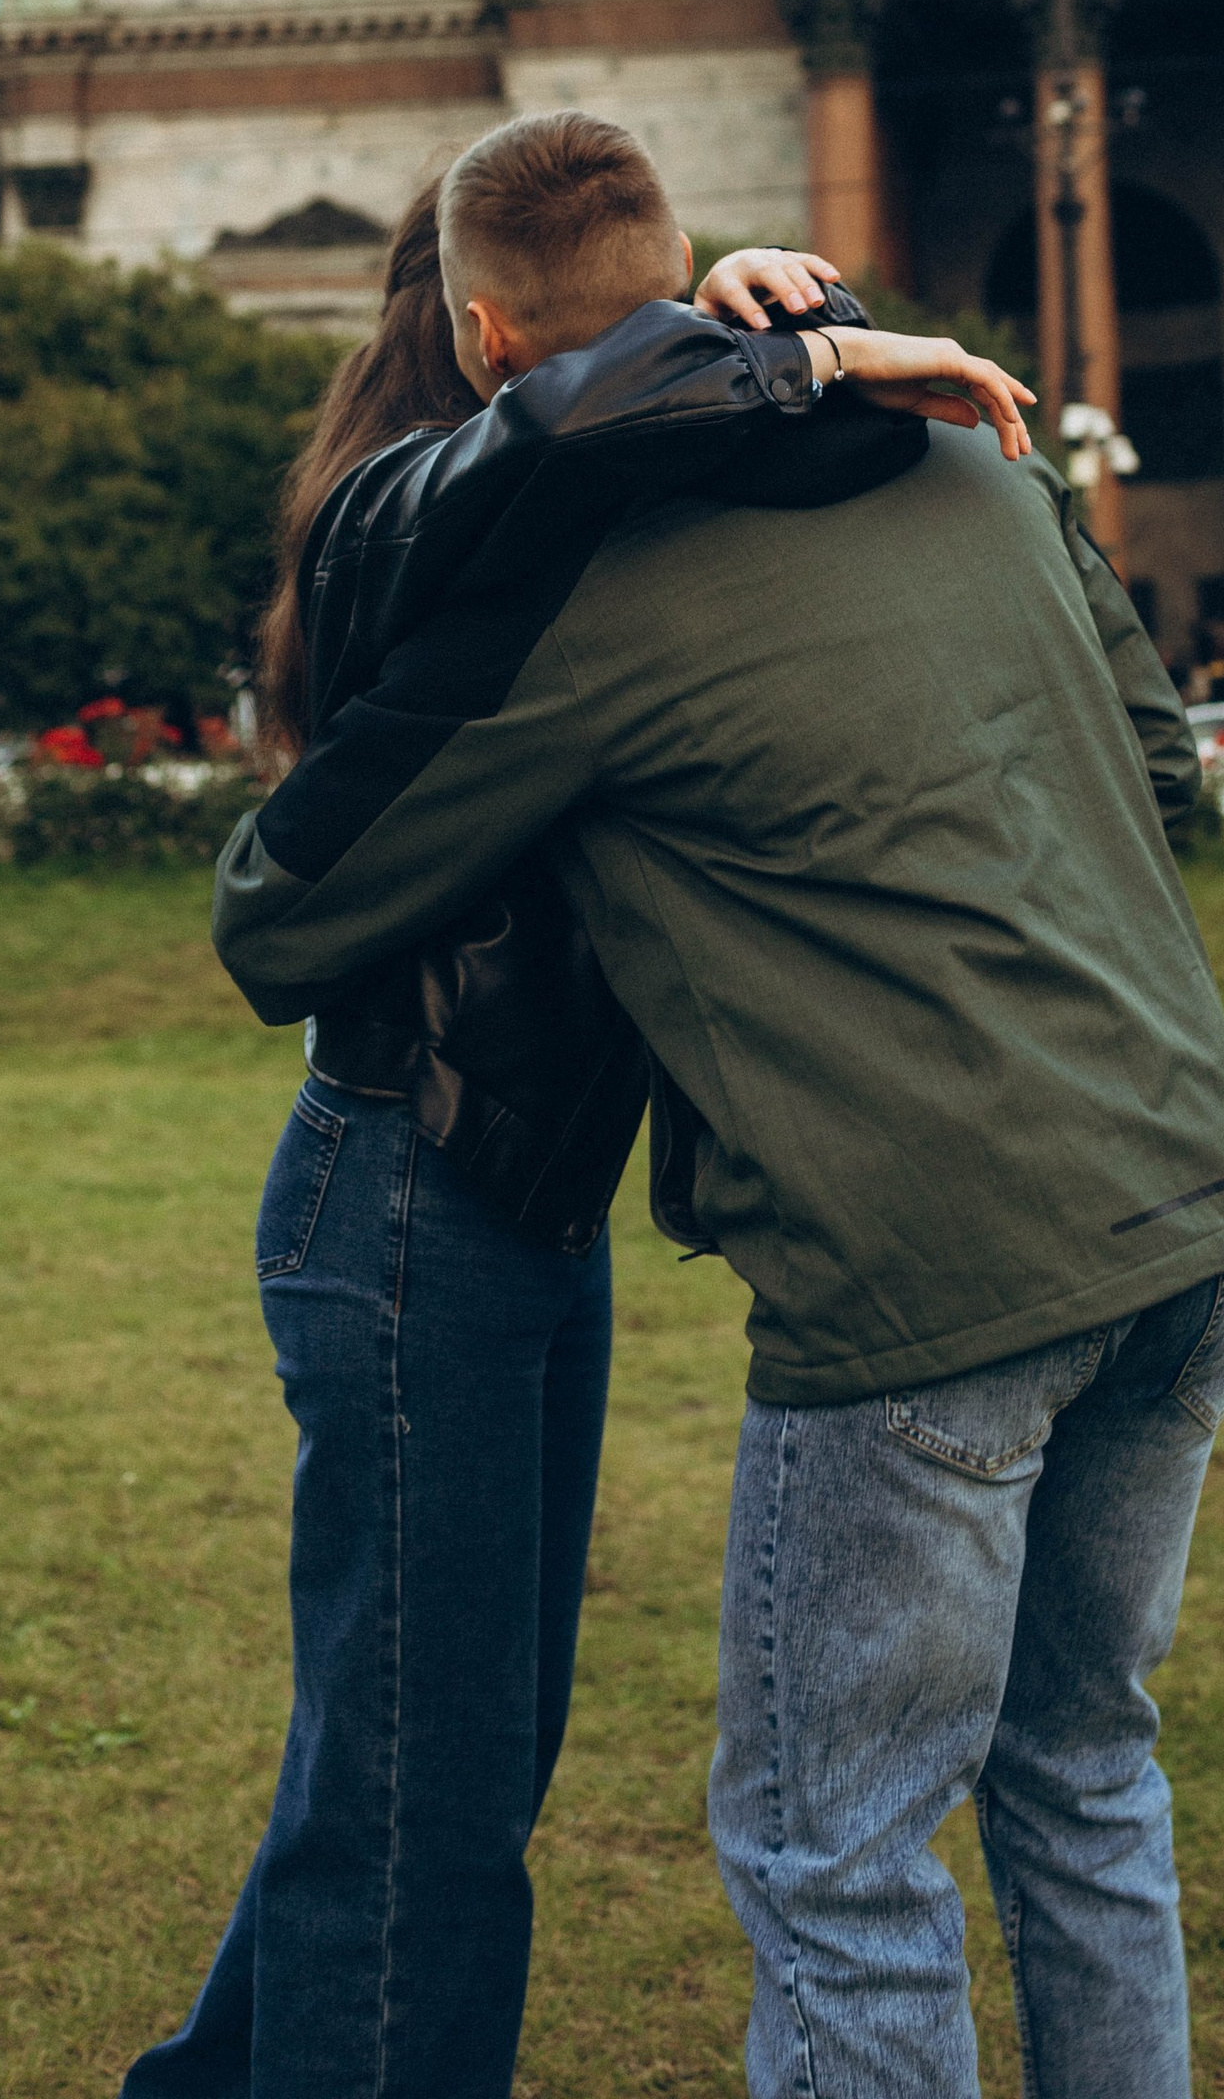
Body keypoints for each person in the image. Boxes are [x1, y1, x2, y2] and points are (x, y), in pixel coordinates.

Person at [217, 109, 1224, 2099]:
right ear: (698, 275)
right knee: (1081, 1772)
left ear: (480, 337)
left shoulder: (586, 589)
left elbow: (285, 913)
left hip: (920, 1265)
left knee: (841, 1861)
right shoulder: (980, 464)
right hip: (1184, 1197)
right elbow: (1156, 776)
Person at [127, 177, 1030, 2099]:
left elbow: (758, 469)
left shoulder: (571, 485)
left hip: (517, 1200)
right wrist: (788, 350)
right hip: (405, 1193)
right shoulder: (410, 519)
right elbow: (568, 429)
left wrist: (790, 323)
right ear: (482, 340)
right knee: (426, 1792)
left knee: (426, 1749)